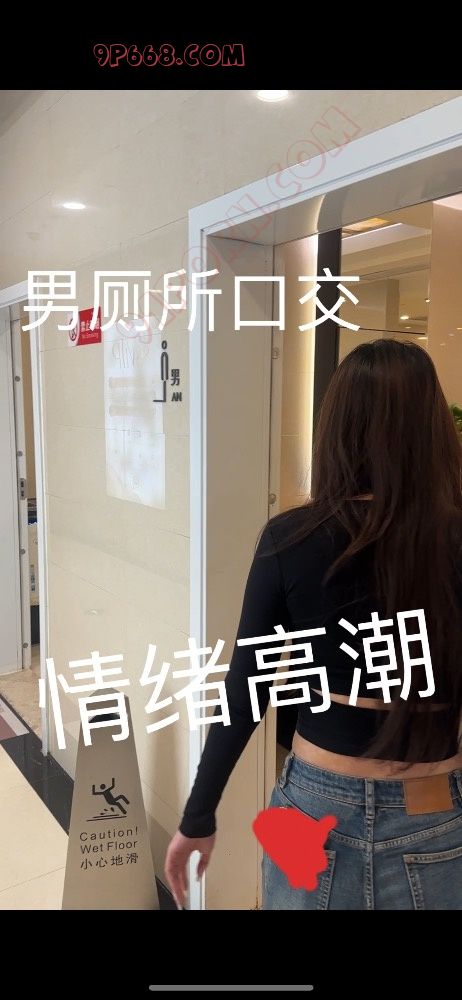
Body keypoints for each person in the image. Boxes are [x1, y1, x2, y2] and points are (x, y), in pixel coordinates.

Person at [165, 340, 462, 910]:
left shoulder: (291, 538)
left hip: (311, 809)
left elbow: (246, 690)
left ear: (337, 428)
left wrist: (198, 815)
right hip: (435, 810)